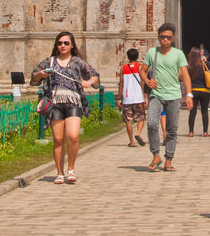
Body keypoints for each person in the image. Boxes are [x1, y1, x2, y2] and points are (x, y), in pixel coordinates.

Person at [31, 31, 100, 184]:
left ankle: (71, 169)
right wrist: (40, 75)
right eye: (60, 43)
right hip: (55, 103)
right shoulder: (49, 62)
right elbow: (33, 78)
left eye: (66, 43)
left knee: (73, 136)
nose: (62, 45)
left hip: (73, 102)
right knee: (58, 139)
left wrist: (89, 82)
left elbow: (95, 75)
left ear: (72, 45)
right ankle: (59, 173)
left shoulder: (77, 62)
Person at [143, 23, 193, 172]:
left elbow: (185, 75)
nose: (165, 39)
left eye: (168, 37)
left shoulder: (178, 54)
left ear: (173, 38)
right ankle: (156, 155)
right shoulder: (152, 52)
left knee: (172, 129)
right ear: (158, 37)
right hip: (156, 95)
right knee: (151, 123)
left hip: (174, 95)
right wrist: (147, 81)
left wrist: (189, 94)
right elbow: (142, 70)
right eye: (163, 37)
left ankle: (169, 159)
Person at [117, 47, 146, 147]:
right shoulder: (140, 67)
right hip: (138, 97)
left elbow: (121, 83)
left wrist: (119, 97)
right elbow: (143, 82)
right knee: (141, 118)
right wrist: (144, 95)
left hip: (127, 98)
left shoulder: (123, 68)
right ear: (137, 56)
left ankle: (132, 141)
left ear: (128, 57)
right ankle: (138, 133)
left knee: (128, 120)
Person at [187, 48, 210, 136]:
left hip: (193, 91)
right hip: (204, 91)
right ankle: (205, 132)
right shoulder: (204, 64)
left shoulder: (189, 66)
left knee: (192, 112)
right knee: (204, 112)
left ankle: (191, 132)